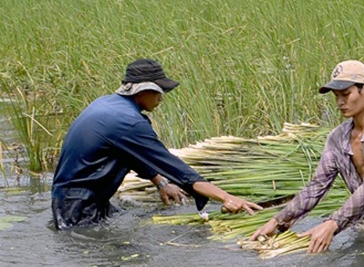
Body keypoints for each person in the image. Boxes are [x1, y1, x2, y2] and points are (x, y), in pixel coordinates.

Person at [51, 58, 262, 230]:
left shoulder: (108, 104)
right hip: (77, 205)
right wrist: (226, 197)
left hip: (76, 197)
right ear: (142, 91)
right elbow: (177, 169)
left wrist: (160, 183)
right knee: (88, 252)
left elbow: (130, 154)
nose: (161, 98)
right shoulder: (129, 122)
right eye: (158, 91)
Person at [250, 60, 364, 253]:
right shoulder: (337, 138)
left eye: (346, 94)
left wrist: (333, 224)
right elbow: (316, 186)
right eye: (336, 96)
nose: (340, 102)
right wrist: (278, 220)